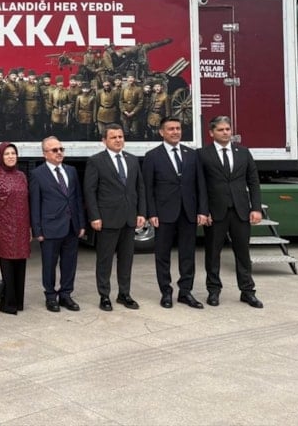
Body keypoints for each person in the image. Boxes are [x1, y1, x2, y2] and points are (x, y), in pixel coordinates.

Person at [198, 116, 264, 308]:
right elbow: (200, 186)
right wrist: (204, 210)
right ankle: (213, 291)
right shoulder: (202, 154)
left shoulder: (243, 152)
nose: (225, 132)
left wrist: (256, 208)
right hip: (215, 212)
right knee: (213, 254)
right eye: (220, 129)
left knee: (243, 252)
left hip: (240, 211)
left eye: (227, 129)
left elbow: (253, 182)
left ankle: (247, 291)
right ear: (211, 133)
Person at [142, 117, 208, 309]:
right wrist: (151, 213)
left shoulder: (192, 154)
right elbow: (148, 188)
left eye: (178, 128)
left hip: (188, 212)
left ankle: (185, 292)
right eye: (170, 129)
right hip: (164, 213)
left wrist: (202, 210)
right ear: (161, 132)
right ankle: (166, 292)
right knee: (162, 255)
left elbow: (200, 185)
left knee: (187, 254)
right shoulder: (152, 156)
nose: (175, 132)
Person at [83, 123, 146, 311]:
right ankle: (104, 296)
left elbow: (139, 188)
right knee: (105, 260)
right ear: (104, 141)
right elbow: (90, 191)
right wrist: (94, 216)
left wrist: (141, 213)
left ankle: (124, 294)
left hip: (129, 218)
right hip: (107, 219)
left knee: (126, 260)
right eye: (113, 137)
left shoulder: (132, 160)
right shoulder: (96, 161)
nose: (118, 140)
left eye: (120, 137)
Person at [29, 137, 85, 312]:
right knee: (49, 264)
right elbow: (35, 203)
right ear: (45, 154)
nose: (59, 152)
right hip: (50, 227)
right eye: (54, 150)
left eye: (61, 149)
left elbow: (77, 198)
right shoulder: (37, 174)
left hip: (71, 226)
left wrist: (81, 223)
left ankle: (66, 294)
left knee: (69, 264)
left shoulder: (71, 171)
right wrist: (37, 230)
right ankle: (51, 296)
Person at [0, 142, 31, 314]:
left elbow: (27, 202)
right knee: (6, 265)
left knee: (20, 263)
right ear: (0, 157)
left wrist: (29, 227)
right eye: (7, 154)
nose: (11, 156)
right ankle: (8, 304)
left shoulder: (22, 176)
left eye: (13, 153)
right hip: (2, 227)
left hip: (21, 226)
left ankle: (18, 302)